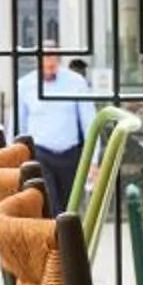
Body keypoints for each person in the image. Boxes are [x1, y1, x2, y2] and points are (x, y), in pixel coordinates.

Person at [16, 49, 88, 213]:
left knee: (69, 207)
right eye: (45, 59)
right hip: (40, 153)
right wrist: (14, 156)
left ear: (59, 61)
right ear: (38, 62)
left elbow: (89, 121)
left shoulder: (75, 82)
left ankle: (64, 238)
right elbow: (19, 123)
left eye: (53, 60)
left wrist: (93, 159)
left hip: (70, 154)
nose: (49, 64)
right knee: (49, 203)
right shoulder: (25, 84)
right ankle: (54, 238)